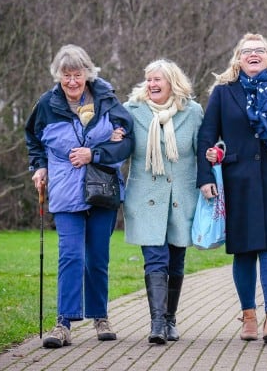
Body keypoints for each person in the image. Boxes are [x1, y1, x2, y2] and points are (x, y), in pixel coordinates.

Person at [197, 33, 267, 344]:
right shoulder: (223, 93)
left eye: (259, 50)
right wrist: (205, 176)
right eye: (247, 51)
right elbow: (206, 136)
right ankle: (248, 315)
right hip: (237, 181)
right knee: (244, 251)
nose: (253, 54)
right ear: (237, 58)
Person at [25, 44, 134, 348]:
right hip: (65, 189)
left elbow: (127, 143)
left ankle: (100, 317)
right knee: (70, 255)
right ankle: (64, 323)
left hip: (102, 189)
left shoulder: (108, 100)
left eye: (77, 74)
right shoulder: (46, 104)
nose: (72, 81)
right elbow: (33, 139)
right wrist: (39, 166)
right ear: (58, 76)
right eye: (66, 75)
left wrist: (94, 153)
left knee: (97, 258)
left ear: (88, 73)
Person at [122, 59, 203, 344]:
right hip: (146, 198)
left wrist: (216, 157)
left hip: (182, 197)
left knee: (176, 259)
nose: (152, 85)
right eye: (149, 80)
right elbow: (121, 148)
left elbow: (202, 150)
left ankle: (170, 319)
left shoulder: (192, 112)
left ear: (173, 82)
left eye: (158, 79)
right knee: (155, 258)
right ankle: (157, 324)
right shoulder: (131, 112)